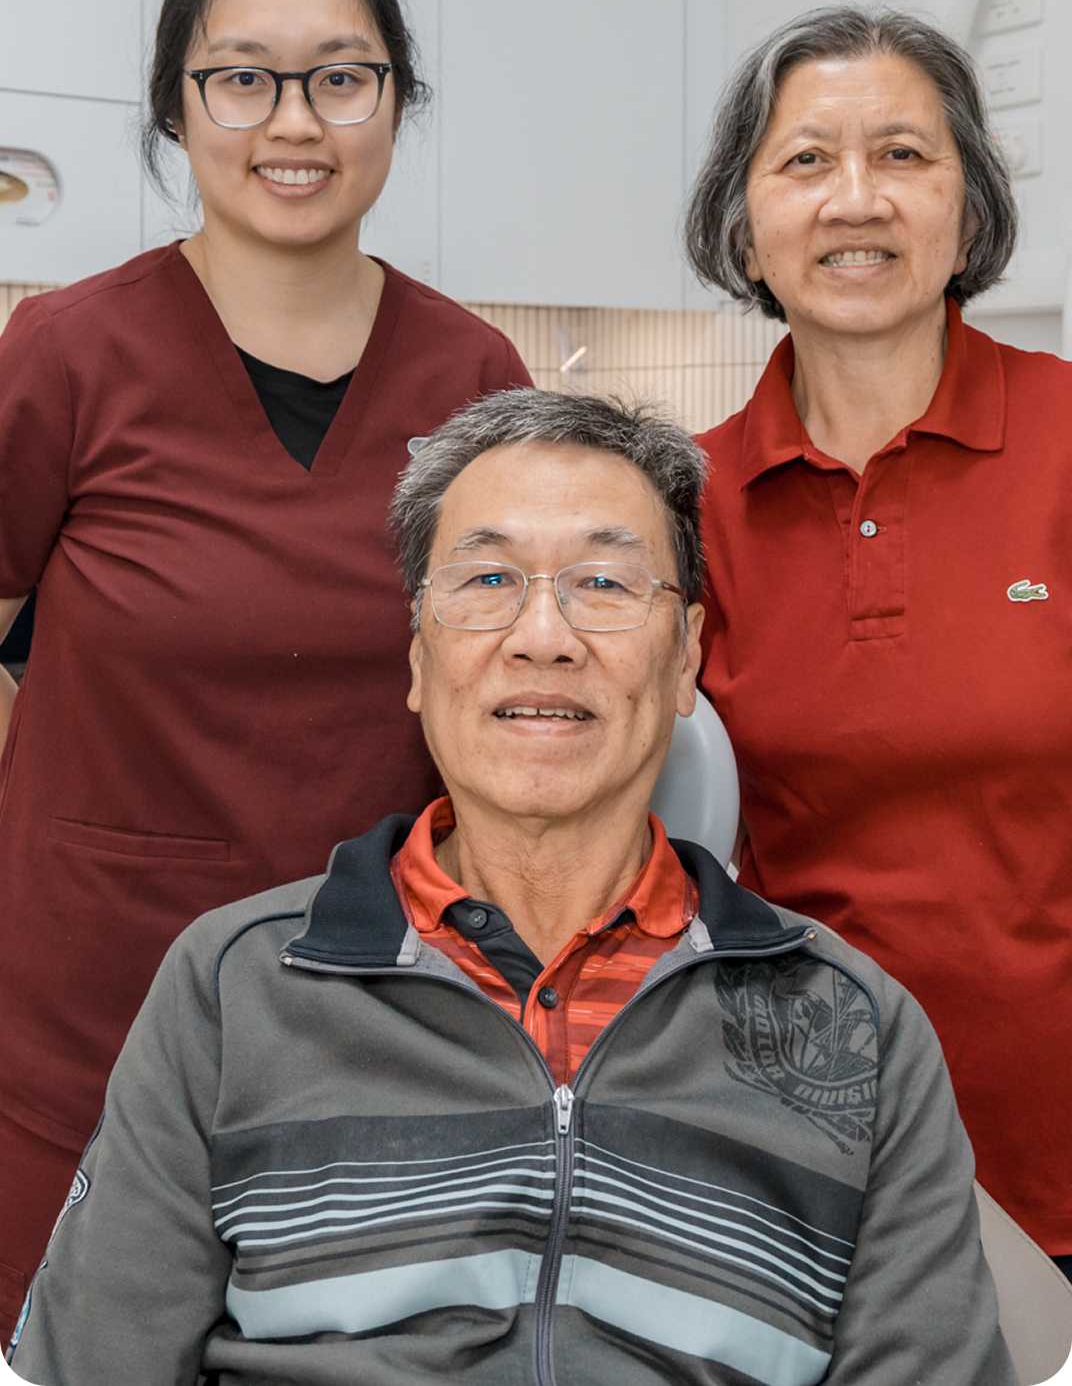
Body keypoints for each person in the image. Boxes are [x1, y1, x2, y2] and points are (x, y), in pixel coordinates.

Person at [8, 390, 1014, 1386]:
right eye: (487, 577)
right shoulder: (235, 990)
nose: (543, 635)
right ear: (416, 653)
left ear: (684, 660)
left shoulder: (855, 1026)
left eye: (607, 584)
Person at [0, 0, 530, 1335]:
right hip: (82, 1018)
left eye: (341, 76)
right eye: (241, 75)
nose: (292, 121)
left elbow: (496, 680)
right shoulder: (64, 355)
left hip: (378, 1025)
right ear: (179, 105)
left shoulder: (475, 372)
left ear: (395, 101)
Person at [686, 4, 1072, 1269]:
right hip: (805, 1160)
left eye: (903, 155)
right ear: (744, 226)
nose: (855, 200)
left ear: (969, 212)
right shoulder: (676, 504)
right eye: (805, 160)